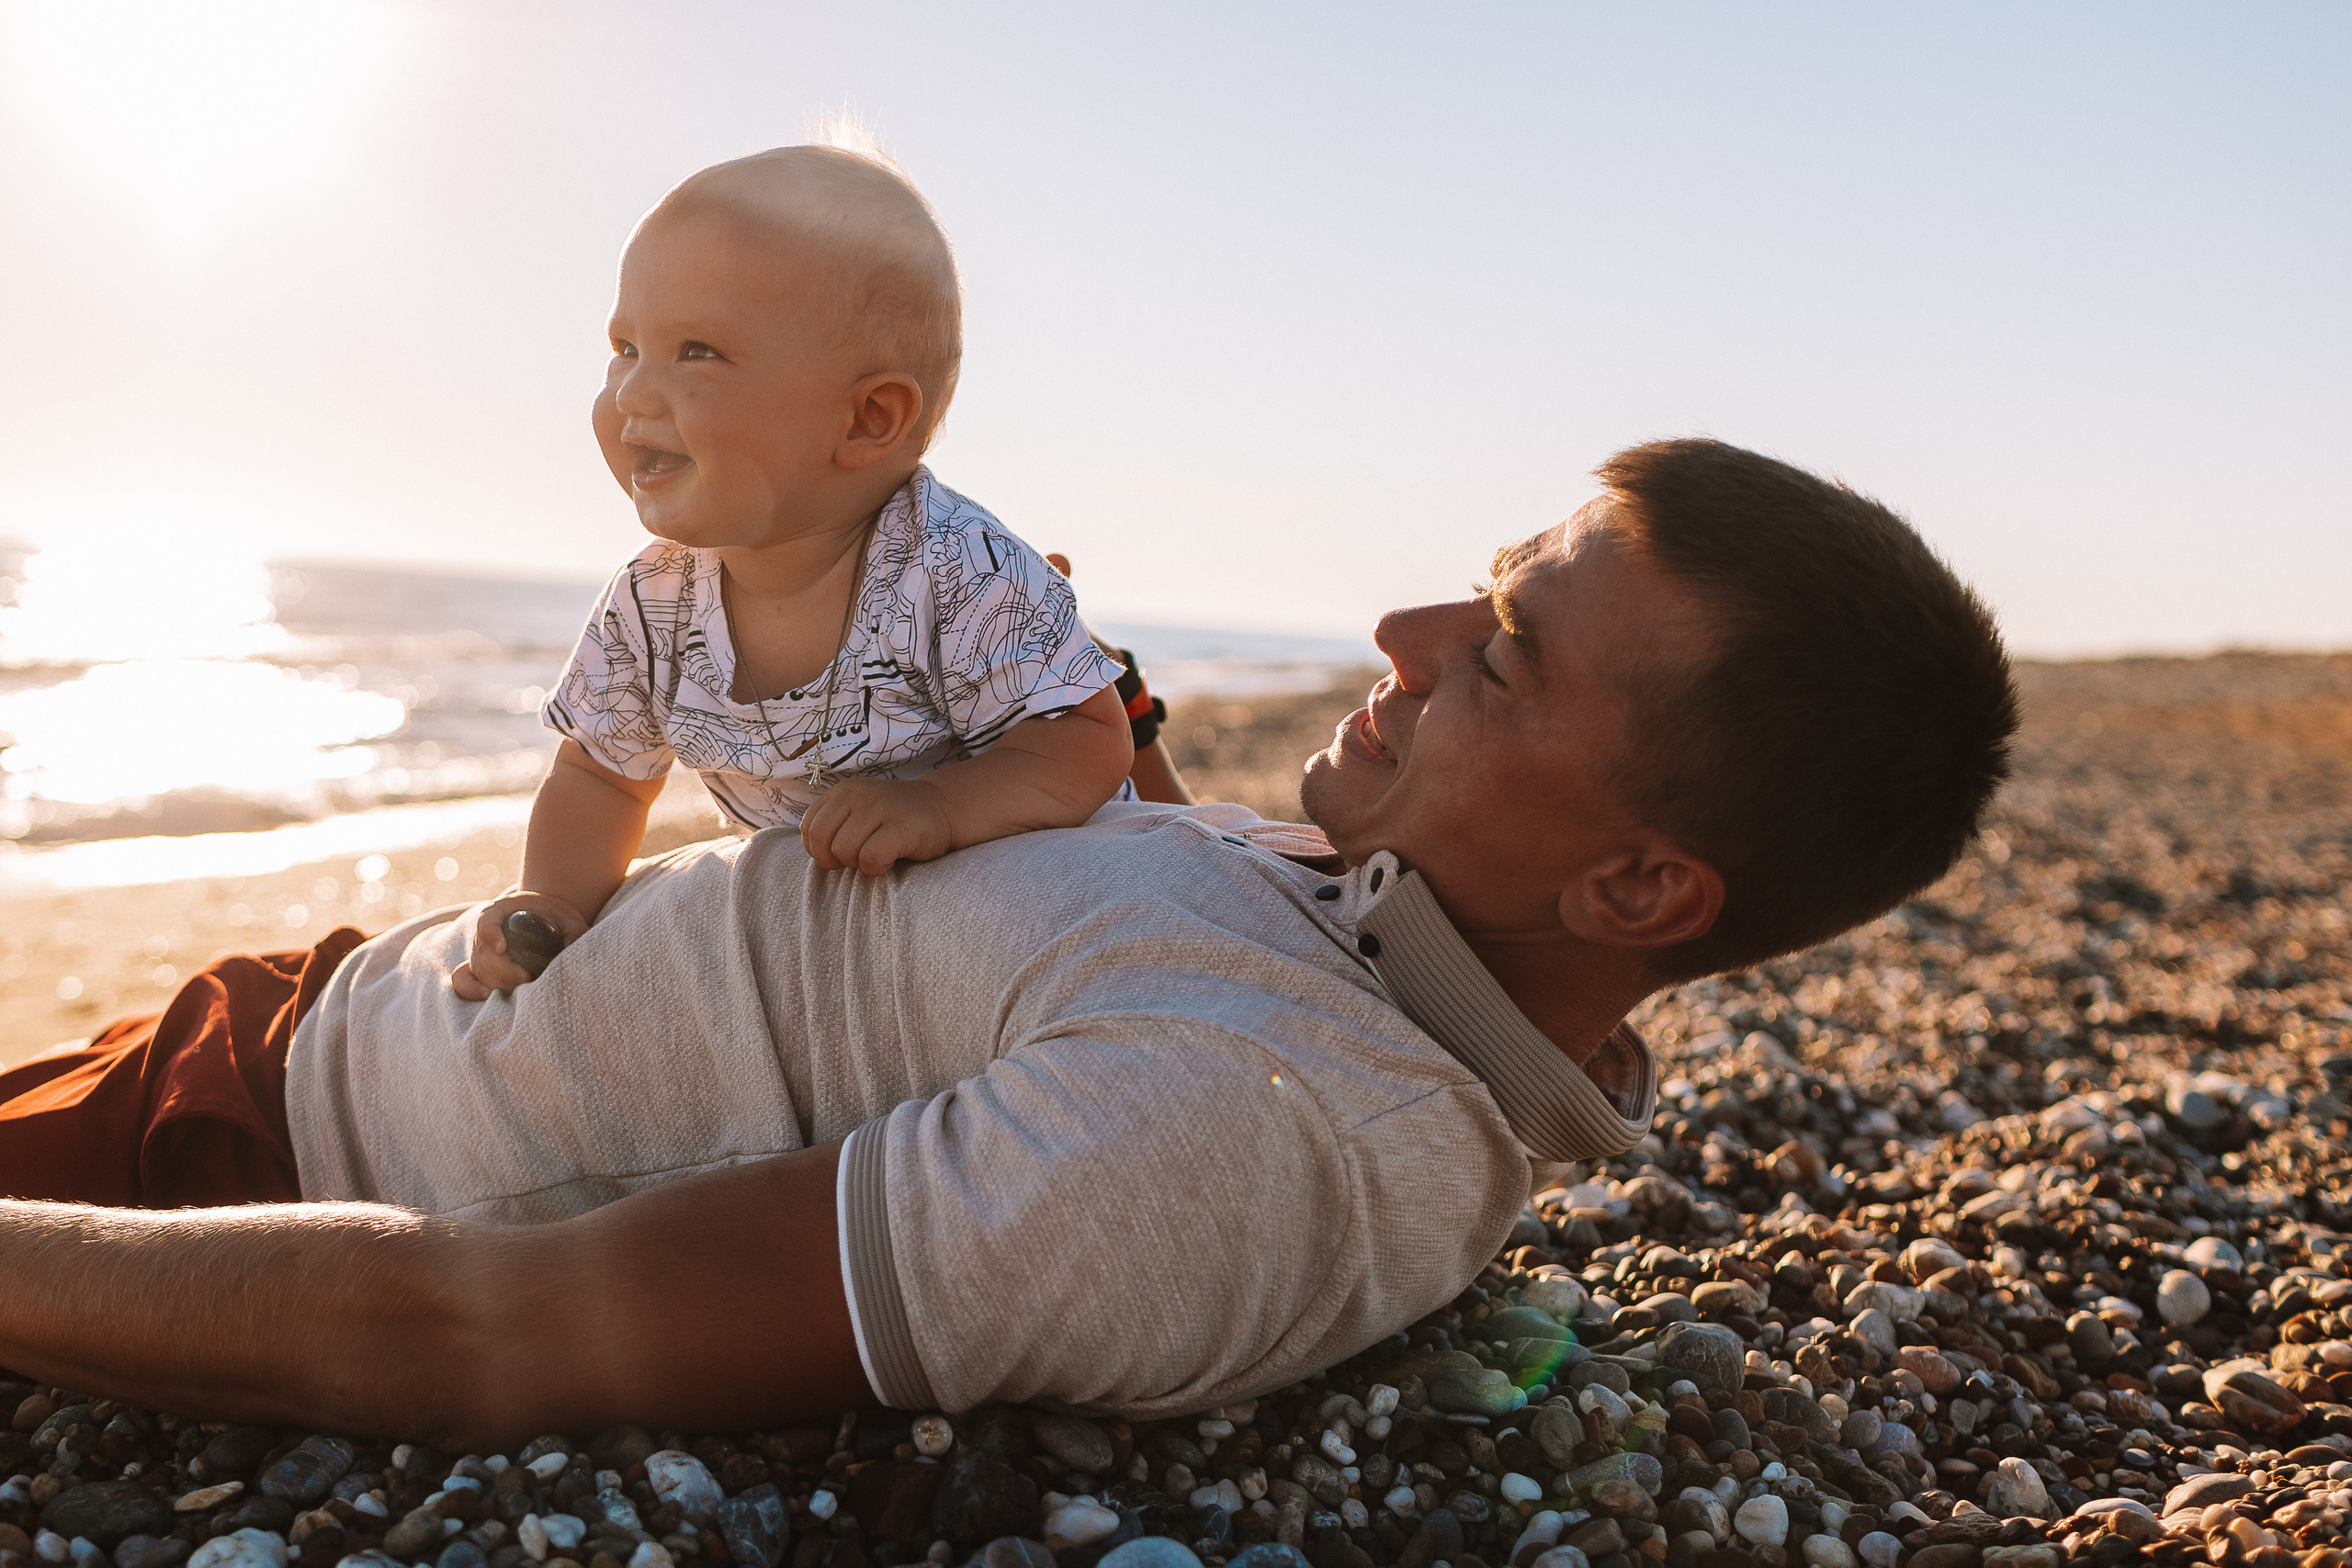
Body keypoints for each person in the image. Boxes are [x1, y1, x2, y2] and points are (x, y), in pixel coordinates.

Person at [0, 438, 2018, 1443]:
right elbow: (1118, 939)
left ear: (1641, 890)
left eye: (1498, 656)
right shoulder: (1370, 925)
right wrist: (1093, 713)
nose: (1398, 640)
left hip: (251, 1159)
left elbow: (497, 1323)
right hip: (323, 1001)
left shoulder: (1253, 1143)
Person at [453, 141, 1136, 999]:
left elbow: (1085, 745)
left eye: (695, 351)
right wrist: (552, 898)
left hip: (1027, 906)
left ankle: (1084, 650)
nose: (632, 393)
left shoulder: (954, 566)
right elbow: (600, 773)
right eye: (626, 347)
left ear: (867, 420)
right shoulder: (652, 600)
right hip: (826, 933)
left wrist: (942, 807)